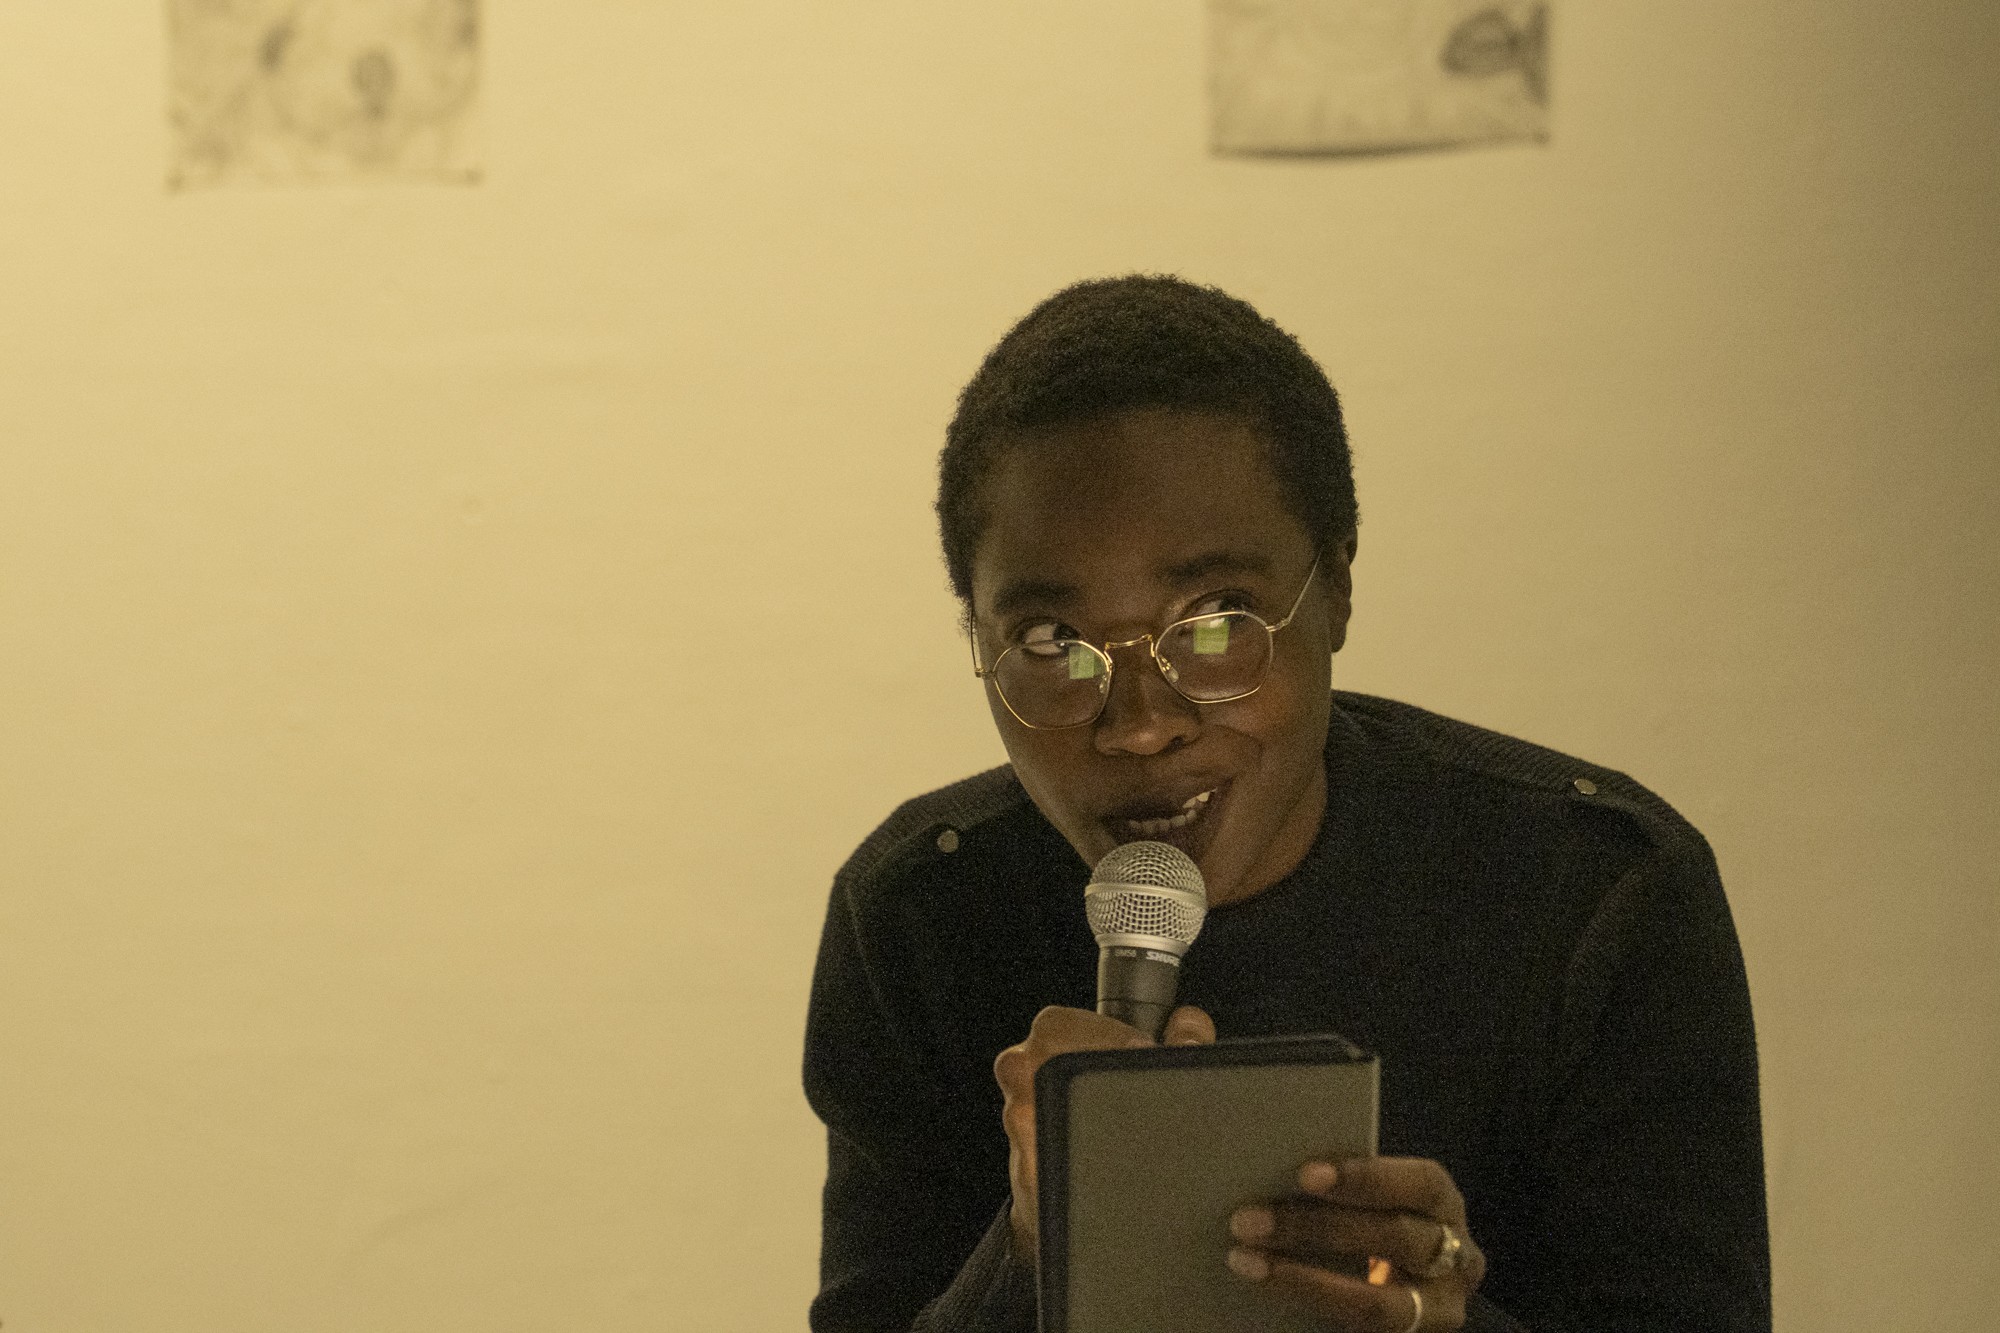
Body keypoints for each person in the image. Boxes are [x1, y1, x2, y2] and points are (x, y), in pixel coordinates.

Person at [802, 275, 1770, 1332]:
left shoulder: (1593, 895)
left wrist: (1444, 1320)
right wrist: (1029, 1247)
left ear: (1336, 589)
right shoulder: (920, 917)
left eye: (1216, 621)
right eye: (1050, 641)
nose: (1139, 722)